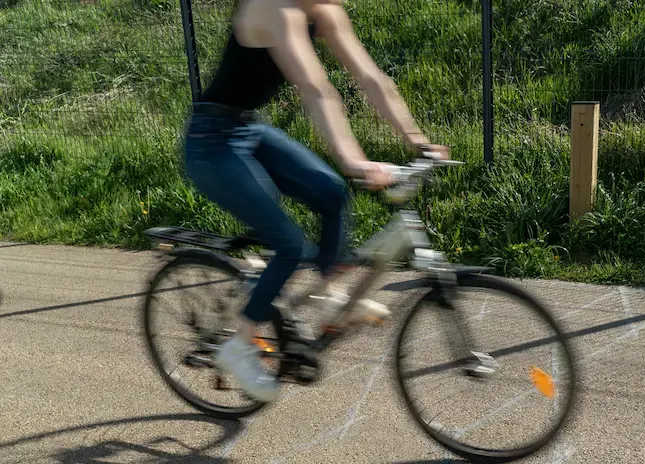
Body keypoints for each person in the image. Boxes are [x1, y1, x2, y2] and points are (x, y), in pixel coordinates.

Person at [182, 0, 449, 404]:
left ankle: (328, 291)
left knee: (330, 192)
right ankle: (238, 343)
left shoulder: (324, 12)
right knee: (288, 243)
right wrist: (354, 161)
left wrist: (418, 142)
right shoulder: (271, 9)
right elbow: (316, 89)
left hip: (248, 129)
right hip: (211, 142)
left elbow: (370, 78)